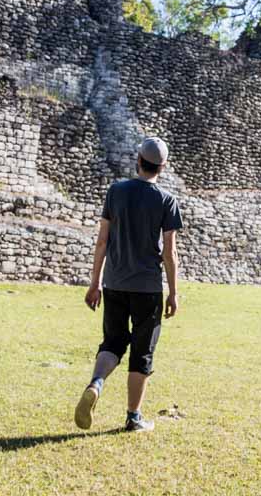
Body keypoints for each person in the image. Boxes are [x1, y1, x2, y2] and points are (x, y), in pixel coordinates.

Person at [74, 136, 183, 432]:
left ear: (138, 160)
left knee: (112, 342)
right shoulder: (167, 201)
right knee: (142, 352)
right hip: (147, 287)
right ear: (163, 166)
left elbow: (102, 242)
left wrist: (94, 283)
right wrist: (173, 293)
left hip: (114, 283)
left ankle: (96, 383)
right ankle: (133, 417)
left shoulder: (115, 192)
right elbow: (169, 252)